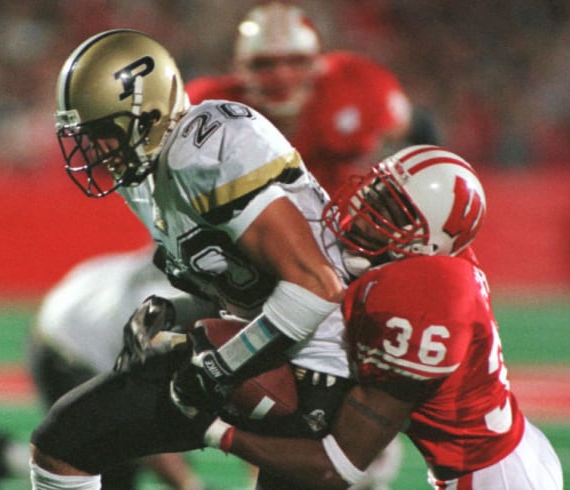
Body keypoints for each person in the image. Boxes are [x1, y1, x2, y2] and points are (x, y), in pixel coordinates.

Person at [29, 28, 356, 490]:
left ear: (150, 113)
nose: (97, 149)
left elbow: (317, 286)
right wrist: (178, 311)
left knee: (71, 440)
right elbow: (243, 287)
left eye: (105, 132)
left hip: (319, 365)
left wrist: (220, 367)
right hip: (263, 348)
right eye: (88, 134)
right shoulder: (144, 174)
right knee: (63, 443)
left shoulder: (207, 148)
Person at [198, 145, 564, 489]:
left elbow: (337, 466)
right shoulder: (432, 264)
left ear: (428, 243)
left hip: (492, 477)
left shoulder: (421, 295)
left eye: (393, 209)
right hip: (508, 447)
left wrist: (213, 431)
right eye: (377, 191)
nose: (365, 208)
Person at [0, 246, 218, 490]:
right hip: (66, 348)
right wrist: (190, 484)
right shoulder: (166, 320)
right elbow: (138, 413)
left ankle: (1, 456)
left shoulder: (184, 274)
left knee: (109, 457)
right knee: (109, 461)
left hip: (74, 310)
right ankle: (1, 457)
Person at [186, 2, 439, 195]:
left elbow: (420, 129)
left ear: (318, 63)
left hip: (342, 228)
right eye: (264, 64)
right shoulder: (208, 105)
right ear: (238, 69)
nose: (282, 76)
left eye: (296, 61)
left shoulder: (355, 84)